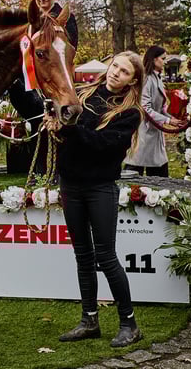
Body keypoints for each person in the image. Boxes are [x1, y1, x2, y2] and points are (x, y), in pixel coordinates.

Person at [46, 51, 144, 348]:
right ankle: (89, 319)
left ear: (133, 80)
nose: (116, 73)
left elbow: (103, 146)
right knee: (83, 256)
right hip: (71, 185)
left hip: (100, 187)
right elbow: (67, 132)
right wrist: (54, 123)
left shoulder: (129, 113)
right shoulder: (82, 94)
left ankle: (129, 323)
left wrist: (70, 128)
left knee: (106, 256)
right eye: (115, 66)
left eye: (124, 71)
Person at [9, 0, 79, 182]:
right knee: (36, 124)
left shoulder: (64, 18)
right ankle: (38, 168)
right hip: (30, 81)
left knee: (57, 126)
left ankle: (57, 169)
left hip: (55, 77)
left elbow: (68, 48)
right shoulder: (30, 19)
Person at [127, 45, 179, 177]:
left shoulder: (157, 78)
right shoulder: (147, 79)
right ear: (154, 60)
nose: (165, 61)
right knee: (135, 169)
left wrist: (172, 119)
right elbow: (146, 108)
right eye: (163, 58)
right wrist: (167, 120)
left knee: (158, 169)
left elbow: (159, 108)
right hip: (144, 132)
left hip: (154, 132)